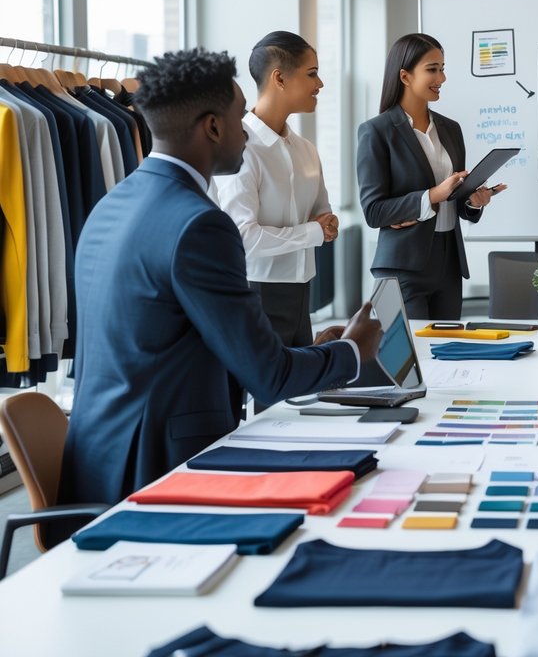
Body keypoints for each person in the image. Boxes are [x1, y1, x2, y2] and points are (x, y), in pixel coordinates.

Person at [60, 48, 381, 510]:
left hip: (99, 464)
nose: (246, 134)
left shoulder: (113, 203)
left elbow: (177, 342)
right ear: (212, 127)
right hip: (162, 470)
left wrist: (316, 351)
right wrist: (354, 352)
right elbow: (267, 378)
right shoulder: (201, 224)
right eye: (238, 119)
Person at [357, 33, 504, 320]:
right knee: (409, 359)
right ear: (405, 76)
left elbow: (456, 201)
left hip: (448, 264)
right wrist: (433, 195)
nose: (442, 77)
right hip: (401, 267)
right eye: (432, 69)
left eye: (443, 68)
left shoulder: (451, 129)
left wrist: (473, 201)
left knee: (446, 355)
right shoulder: (376, 131)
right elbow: (374, 211)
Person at [212, 31, 337, 349]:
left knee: (299, 394)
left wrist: (326, 224)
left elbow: (322, 214)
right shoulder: (240, 149)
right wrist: (313, 232)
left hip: (302, 291)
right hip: (256, 294)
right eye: (312, 74)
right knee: (266, 398)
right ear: (279, 78)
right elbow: (243, 238)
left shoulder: (306, 149)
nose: (319, 84)